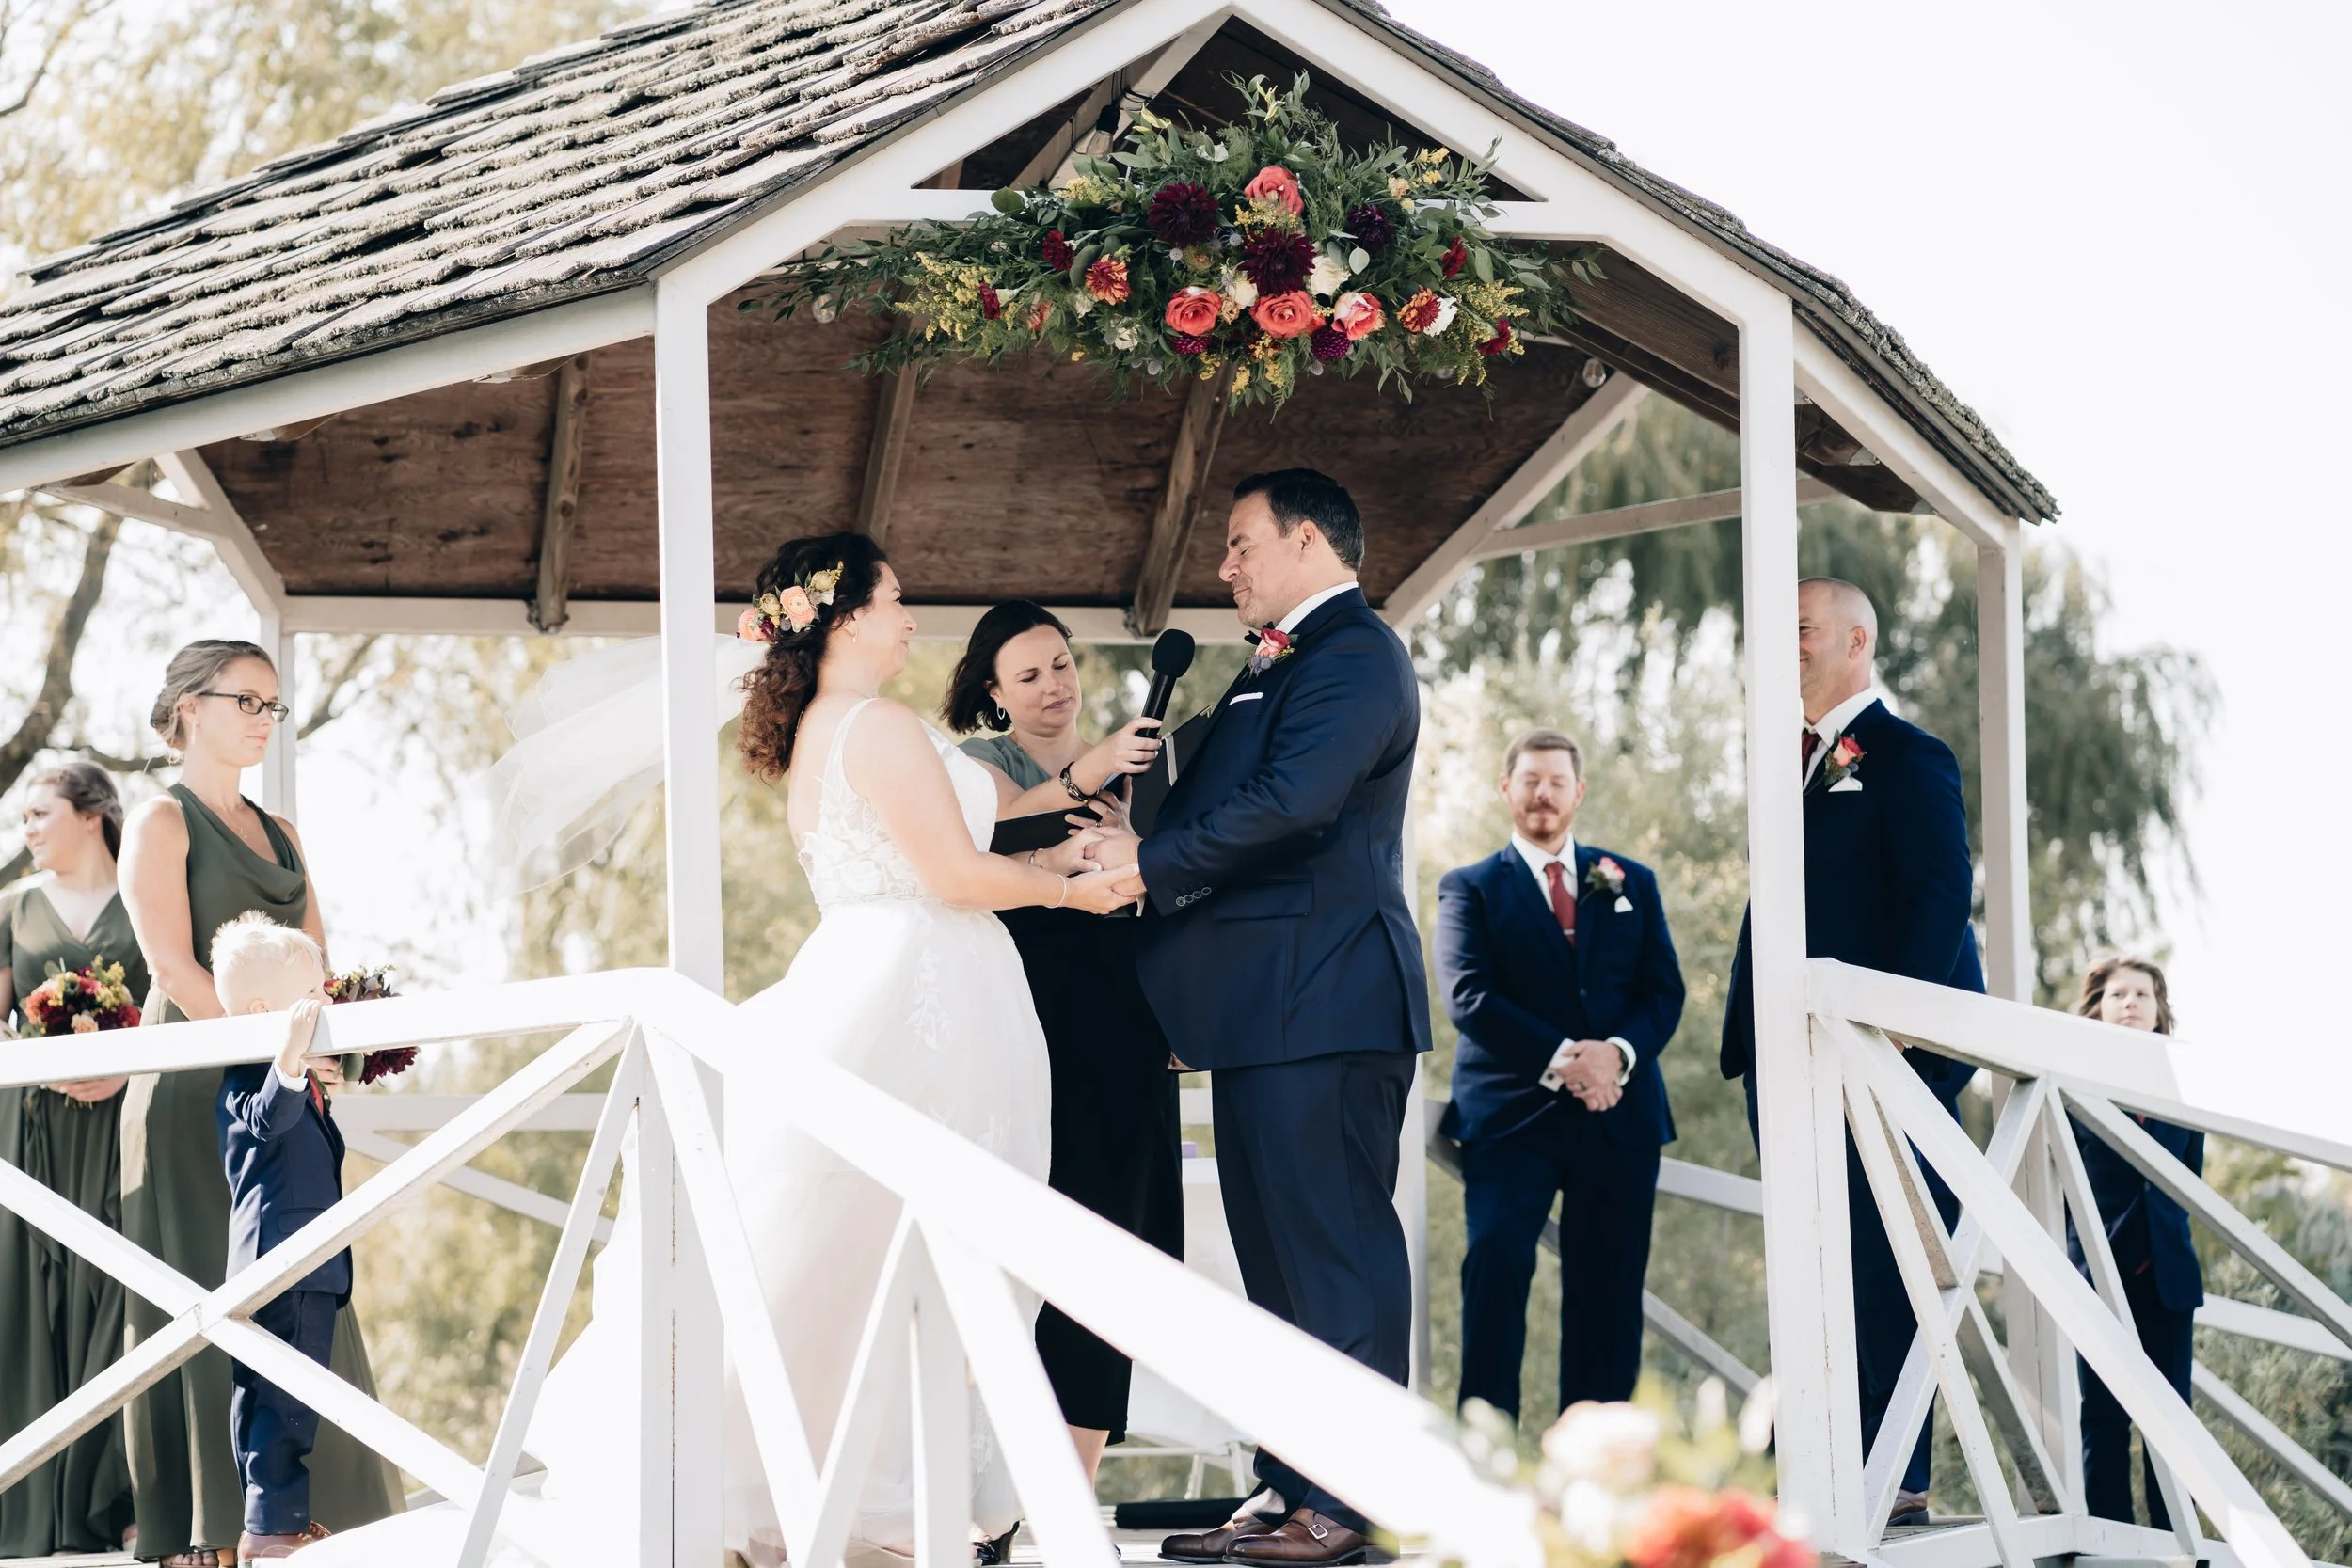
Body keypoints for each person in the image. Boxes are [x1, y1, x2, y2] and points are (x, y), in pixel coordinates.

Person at [297, 536, 1140, 1568]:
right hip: (916, 996)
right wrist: (1072, 890)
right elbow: (956, 877)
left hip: (887, 976)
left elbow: (940, 850)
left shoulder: (833, 727)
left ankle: (810, 1483)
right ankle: (837, 1487)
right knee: (884, 1241)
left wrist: (1053, 850)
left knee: (841, 1243)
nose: (911, 618)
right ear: (845, 619)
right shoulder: (875, 724)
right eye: (895, 600)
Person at [1091, 468, 1431, 1568]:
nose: (1224, 563)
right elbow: (1225, 797)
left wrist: (1144, 865)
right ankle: (1287, 1483)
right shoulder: (1277, 658)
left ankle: (1354, 1501)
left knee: (1336, 1254)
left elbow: (1293, 803)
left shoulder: (1356, 654)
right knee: (1275, 1269)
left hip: (1326, 996)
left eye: (1242, 542)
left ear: (1308, 541)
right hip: (1261, 1009)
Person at [118, 640, 402, 1567]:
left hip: (284, 1080)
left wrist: (319, 1052)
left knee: (301, 1284)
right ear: (188, 706)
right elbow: (171, 965)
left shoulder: (284, 832)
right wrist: (267, 1053)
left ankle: (312, 1508)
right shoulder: (161, 820)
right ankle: (205, 1521)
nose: (263, 720)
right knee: (202, 1287)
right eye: (246, 699)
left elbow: (317, 961)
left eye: (272, 705)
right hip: (193, 1085)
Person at [1719, 578, 1982, 1528]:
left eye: (1803, 627)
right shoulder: (1785, 758)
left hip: (1872, 1056)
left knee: (1882, 1260)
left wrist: (1893, 1031)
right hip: (1785, 1053)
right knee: (1806, 1256)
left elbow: (1938, 894)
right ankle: (1813, 1460)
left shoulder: (1910, 757)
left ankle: (1895, 1473)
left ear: (1857, 641)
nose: (1786, 643)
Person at [946, 602, 1183, 1487]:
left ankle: (1067, 1497)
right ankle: (989, 1489)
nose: (1054, 685)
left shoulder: (1143, 769)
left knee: (1114, 1249)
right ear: (995, 693)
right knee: (1023, 1243)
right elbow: (990, 847)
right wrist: (1090, 779)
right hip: (1027, 1023)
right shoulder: (981, 766)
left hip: (1127, 1028)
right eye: (1029, 674)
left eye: (1061, 664)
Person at [1434, 728, 1684, 1425]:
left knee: (1609, 1296)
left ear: (1579, 792)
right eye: (1530, 780)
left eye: (1556, 781)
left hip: (1619, 1117)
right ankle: (1487, 1450)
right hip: (1511, 1119)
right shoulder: (1469, 888)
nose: (1542, 793)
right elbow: (1468, 996)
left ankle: (1596, 1465)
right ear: (1505, 788)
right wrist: (1570, 1060)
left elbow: (1663, 993)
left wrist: (1617, 1056)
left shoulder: (1632, 880)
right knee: (1495, 1269)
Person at [0, 762, 147, 1556]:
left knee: (124, 1292)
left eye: (39, 813)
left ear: (92, 815)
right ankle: (32, 1500)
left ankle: (115, 1496)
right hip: (34, 1132)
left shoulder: (144, 895)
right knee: (38, 1295)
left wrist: (128, 1066)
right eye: (23, 816)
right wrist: (41, 1064)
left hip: (129, 1122)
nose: (25, 828)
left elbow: (172, 1000)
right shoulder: (14, 908)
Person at [209, 915, 352, 1560]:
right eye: (312, 995)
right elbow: (266, 1121)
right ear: (266, 1013)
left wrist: (311, 1075)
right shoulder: (246, 1074)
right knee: (275, 1399)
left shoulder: (293, 1076)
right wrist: (291, 1061)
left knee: (296, 1398)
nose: (324, 1002)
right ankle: (269, 1530)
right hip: (279, 1259)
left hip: (311, 1258)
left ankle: (277, 1519)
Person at [2069, 956, 2201, 1532]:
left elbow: (2190, 1179)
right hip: (2099, 1268)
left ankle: (2177, 1540)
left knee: (2173, 1418)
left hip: (2168, 1272)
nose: (2130, 1003)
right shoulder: (2071, 1081)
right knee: (2103, 1414)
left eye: (2142, 995)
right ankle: (2111, 1541)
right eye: (2118, 994)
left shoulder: (2184, 1089)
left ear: (2158, 1010)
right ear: (2097, 1007)